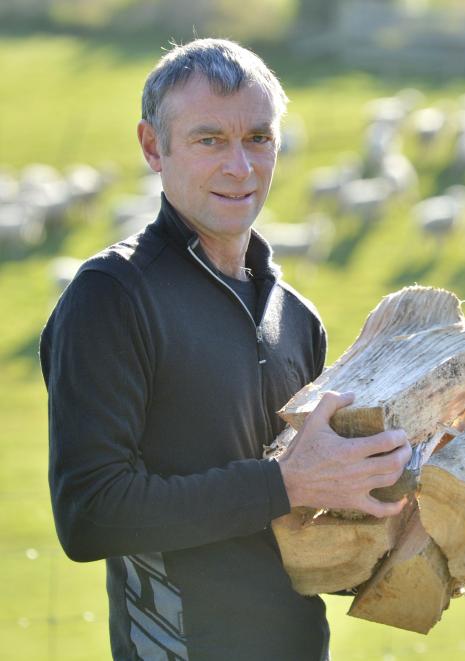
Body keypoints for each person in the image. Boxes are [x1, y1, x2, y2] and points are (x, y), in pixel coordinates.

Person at [40, 38, 412, 661]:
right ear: (153, 147)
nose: (240, 167)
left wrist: (403, 509)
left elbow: (304, 513)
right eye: (209, 140)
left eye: (258, 139)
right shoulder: (111, 295)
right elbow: (90, 514)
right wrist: (284, 484)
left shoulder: (296, 316)